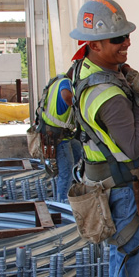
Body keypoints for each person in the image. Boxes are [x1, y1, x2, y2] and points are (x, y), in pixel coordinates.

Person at [70, 0, 139, 277]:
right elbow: (134, 146)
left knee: (122, 257)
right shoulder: (108, 96)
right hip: (123, 187)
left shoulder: (85, 69)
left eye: (126, 36)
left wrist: (121, 70)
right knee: (133, 260)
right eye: (118, 39)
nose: (127, 43)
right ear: (93, 44)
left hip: (105, 182)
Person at [36, 67, 82, 203]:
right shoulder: (65, 82)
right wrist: (79, 106)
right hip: (57, 136)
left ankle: (74, 190)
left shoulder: (56, 80)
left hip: (64, 134)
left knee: (79, 155)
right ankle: (62, 204)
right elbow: (67, 96)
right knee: (66, 171)